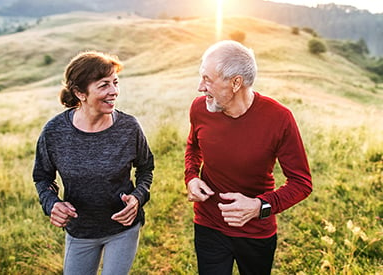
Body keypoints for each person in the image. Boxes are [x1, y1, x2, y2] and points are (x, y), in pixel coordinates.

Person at [184, 40, 312, 275]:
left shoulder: (279, 118)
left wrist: (259, 206)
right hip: (208, 225)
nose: (200, 87)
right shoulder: (199, 108)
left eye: (207, 79)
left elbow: (301, 183)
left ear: (235, 83)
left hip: (256, 233)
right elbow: (193, 147)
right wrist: (191, 177)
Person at [33, 50, 154, 275]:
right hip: (80, 232)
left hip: (123, 229)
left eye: (115, 83)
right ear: (80, 93)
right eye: (104, 85)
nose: (114, 92)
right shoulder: (55, 132)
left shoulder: (129, 128)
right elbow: (42, 177)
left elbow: (146, 169)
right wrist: (52, 204)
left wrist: (137, 199)